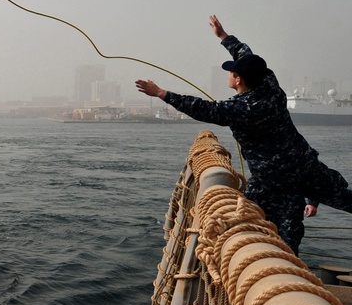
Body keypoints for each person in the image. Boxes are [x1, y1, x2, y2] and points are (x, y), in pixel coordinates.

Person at [135, 15, 352, 255]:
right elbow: (245, 55)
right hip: (305, 165)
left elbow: (203, 109)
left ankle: (279, 268)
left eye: (231, 73)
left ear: (238, 80)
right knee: (342, 197)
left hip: (272, 178)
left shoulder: (239, 109)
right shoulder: (271, 86)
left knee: (257, 221)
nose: (228, 75)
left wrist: (161, 93)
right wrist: (224, 37)